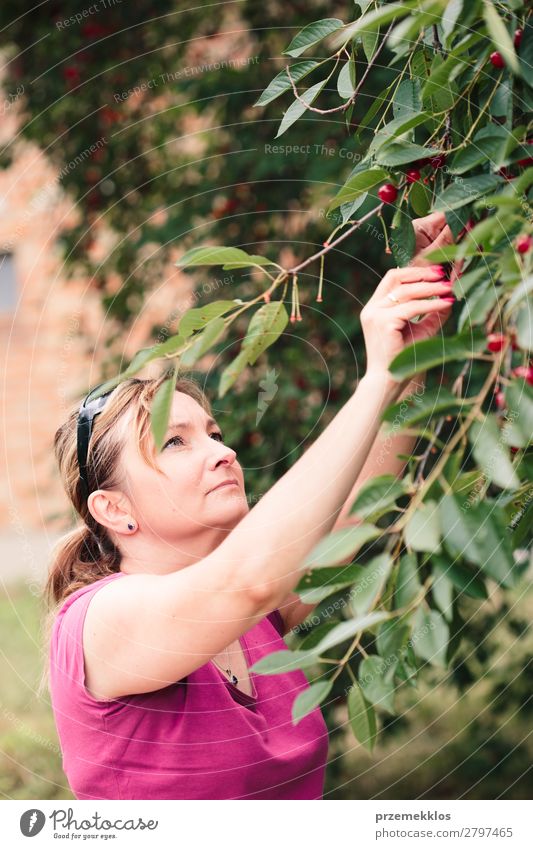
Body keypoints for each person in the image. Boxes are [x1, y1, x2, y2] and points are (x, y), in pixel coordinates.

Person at [43, 213, 455, 800]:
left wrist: (410, 359)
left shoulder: (254, 620)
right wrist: (376, 376)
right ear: (113, 509)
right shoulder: (100, 623)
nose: (223, 452)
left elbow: (356, 509)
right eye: (175, 441)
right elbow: (247, 579)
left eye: (213, 432)